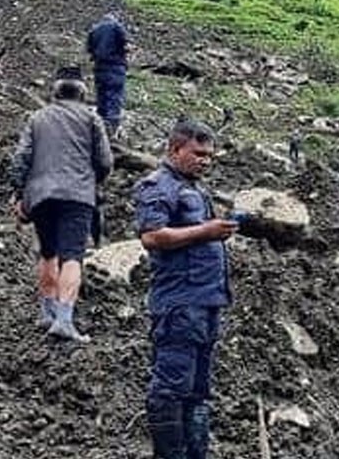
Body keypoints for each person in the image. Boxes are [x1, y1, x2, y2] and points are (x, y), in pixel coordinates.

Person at [133, 120, 237, 459]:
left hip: (206, 303)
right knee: (171, 388)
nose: (205, 161)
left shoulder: (194, 188)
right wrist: (206, 231)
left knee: (198, 390)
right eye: (198, 154)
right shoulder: (159, 185)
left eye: (210, 156)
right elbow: (152, 236)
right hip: (180, 304)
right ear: (175, 150)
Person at [9, 70, 113, 342]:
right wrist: (92, 181)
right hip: (77, 195)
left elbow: (20, 159)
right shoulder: (91, 118)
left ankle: (47, 312)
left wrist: (19, 194)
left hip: (40, 195)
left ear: (55, 93)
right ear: (82, 93)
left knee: (47, 253)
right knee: (72, 256)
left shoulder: (37, 118)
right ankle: (65, 320)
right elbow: (104, 161)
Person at [86, 11, 131, 138]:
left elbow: (89, 49)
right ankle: (111, 134)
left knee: (102, 99)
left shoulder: (94, 30)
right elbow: (126, 45)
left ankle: (99, 131)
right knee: (114, 99)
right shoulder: (116, 27)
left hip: (99, 68)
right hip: (115, 67)